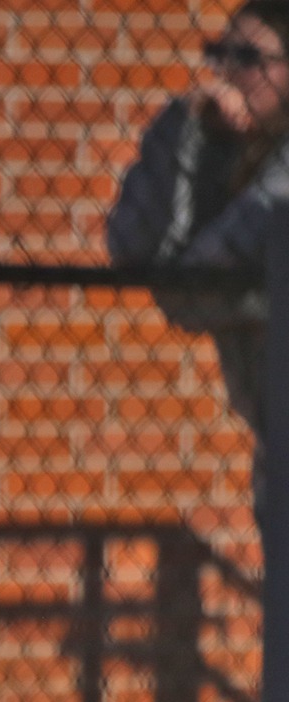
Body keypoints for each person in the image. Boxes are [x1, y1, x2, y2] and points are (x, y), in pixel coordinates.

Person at [108, 0, 289, 464]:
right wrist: (189, 133)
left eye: (249, 58)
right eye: (219, 51)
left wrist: (178, 279)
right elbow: (130, 243)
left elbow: (195, 286)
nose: (227, 70)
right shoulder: (225, 148)